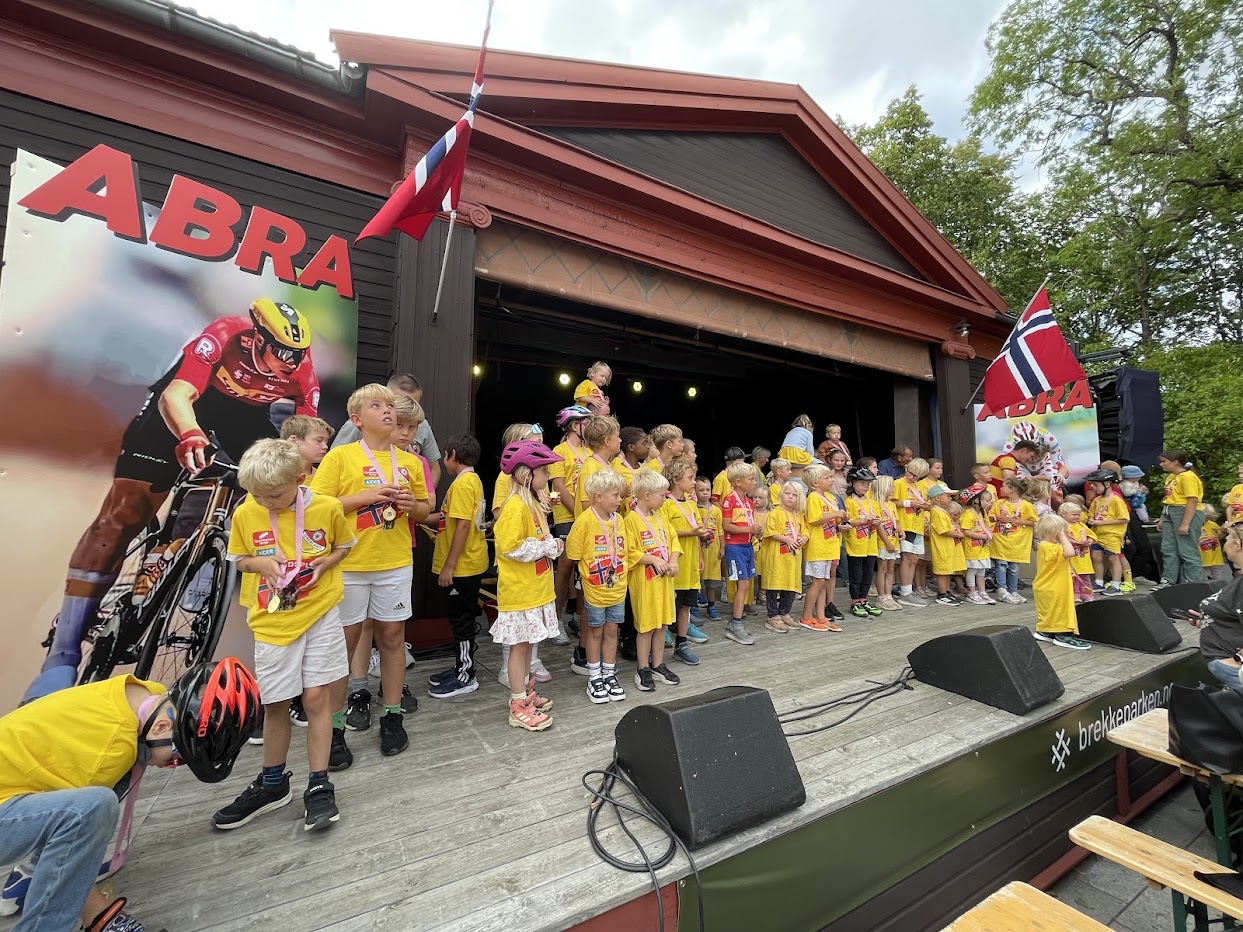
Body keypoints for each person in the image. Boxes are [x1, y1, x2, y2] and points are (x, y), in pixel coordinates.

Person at [30, 299, 320, 700]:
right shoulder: (224, 334)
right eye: (282, 351)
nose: (291, 361)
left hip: (243, 416)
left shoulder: (301, 371)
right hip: (187, 401)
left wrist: (303, 468)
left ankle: (186, 553)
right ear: (257, 337)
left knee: (271, 474)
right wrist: (189, 434)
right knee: (124, 512)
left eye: (298, 353)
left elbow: (306, 431)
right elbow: (178, 396)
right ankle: (61, 656)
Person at [1, 659, 259, 932]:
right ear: (161, 727)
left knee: (87, 803)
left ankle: (29, 877)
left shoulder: (145, 696)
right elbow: (74, 826)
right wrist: (102, 917)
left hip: (15, 792)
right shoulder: (111, 749)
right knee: (92, 808)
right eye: (179, 756)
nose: (174, 765)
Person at [215, 439, 353, 833]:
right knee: (276, 703)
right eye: (258, 496)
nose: (267, 503)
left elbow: (342, 546)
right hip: (273, 622)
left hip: (320, 614)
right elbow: (239, 559)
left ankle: (319, 783)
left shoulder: (325, 508)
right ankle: (273, 783)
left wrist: (323, 566)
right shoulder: (248, 511)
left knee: (315, 698)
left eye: (274, 495)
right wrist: (260, 562)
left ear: (300, 477)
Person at [309, 384, 430, 757]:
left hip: (394, 563)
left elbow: (426, 509)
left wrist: (413, 505)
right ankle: (334, 727)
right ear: (357, 419)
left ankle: (391, 716)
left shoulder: (409, 461)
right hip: (347, 566)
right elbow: (314, 505)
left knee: (392, 638)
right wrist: (362, 498)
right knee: (342, 644)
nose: (388, 411)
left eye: (391, 405)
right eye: (377, 406)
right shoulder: (340, 457)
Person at [492, 440, 562, 731]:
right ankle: (517, 702)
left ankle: (523, 692)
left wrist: (548, 545)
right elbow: (510, 547)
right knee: (519, 648)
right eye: (543, 472)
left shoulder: (532, 503)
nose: (547, 477)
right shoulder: (515, 506)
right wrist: (548, 546)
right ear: (525, 475)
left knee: (527, 645)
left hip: (534, 589)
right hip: (520, 591)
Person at [427, 434, 489, 699]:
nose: (443, 459)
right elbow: (448, 519)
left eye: (444, 454)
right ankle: (459, 667)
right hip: (465, 564)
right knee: (458, 619)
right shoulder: (469, 481)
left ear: (453, 454)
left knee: (462, 620)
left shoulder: (463, 485)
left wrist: (448, 567)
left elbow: (462, 525)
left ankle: (466, 675)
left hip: (462, 567)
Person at [566, 469, 629, 705]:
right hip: (595, 590)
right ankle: (594, 677)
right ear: (598, 496)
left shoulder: (619, 519)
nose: (619, 499)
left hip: (617, 588)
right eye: (615, 495)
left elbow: (623, 550)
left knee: (613, 631)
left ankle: (609, 673)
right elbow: (573, 553)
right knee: (595, 631)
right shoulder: (584, 521)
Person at [625, 470, 682, 691]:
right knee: (646, 626)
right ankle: (642, 668)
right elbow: (629, 552)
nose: (665, 498)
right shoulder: (630, 520)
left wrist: (674, 560)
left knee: (661, 624)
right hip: (645, 584)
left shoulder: (661, 517)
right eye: (661, 494)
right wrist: (652, 559)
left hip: (664, 582)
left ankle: (658, 664)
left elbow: (673, 541)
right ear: (647, 495)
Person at [333, 374, 442, 488]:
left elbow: (433, 468)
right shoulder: (361, 424)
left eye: (413, 403)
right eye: (398, 402)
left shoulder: (422, 424)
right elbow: (334, 466)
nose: (408, 407)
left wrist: (422, 497)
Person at [549, 405, 591, 664]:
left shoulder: (590, 451)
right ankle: (556, 619)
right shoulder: (559, 451)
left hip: (588, 517)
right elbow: (558, 485)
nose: (590, 426)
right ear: (574, 425)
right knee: (564, 569)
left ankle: (579, 618)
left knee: (584, 570)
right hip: (568, 517)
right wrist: (578, 510)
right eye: (586, 422)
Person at [662, 458, 709, 664]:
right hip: (675, 565)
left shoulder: (691, 503)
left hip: (690, 564)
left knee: (686, 606)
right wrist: (690, 532)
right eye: (690, 478)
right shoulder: (665, 504)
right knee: (669, 605)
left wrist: (699, 555)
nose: (693, 482)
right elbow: (665, 533)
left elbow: (696, 532)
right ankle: (660, 642)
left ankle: (681, 644)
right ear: (675, 479)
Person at [1190, 525, 1243, 690]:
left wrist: (1239, 659)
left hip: (1231, 663)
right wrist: (1212, 620)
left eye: (1226, 539)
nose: (1224, 543)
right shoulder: (1239, 579)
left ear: (1237, 545)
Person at [1028, 514, 1089, 649]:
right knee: (1060, 610)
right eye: (1063, 531)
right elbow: (1069, 552)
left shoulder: (1046, 546)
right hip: (1054, 587)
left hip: (1049, 586)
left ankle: (1047, 630)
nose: (1066, 533)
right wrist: (1062, 536)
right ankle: (1063, 634)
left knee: (1051, 610)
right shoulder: (1049, 547)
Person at [720, 460, 761, 645]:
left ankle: (735, 622)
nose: (754, 482)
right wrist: (749, 530)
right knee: (742, 585)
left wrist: (755, 531)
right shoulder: (729, 500)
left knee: (747, 585)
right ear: (737, 482)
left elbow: (748, 525)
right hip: (734, 547)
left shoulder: (748, 502)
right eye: (751, 479)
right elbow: (726, 526)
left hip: (747, 546)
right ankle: (736, 623)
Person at [800, 463, 845, 631]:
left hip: (830, 544)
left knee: (824, 581)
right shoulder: (813, 498)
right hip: (818, 547)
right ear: (814, 484)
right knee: (817, 582)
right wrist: (834, 514)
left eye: (831, 477)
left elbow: (833, 520)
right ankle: (806, 616)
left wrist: (841, 518)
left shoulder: (830, 497)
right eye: (826, 478)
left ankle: (820, 616)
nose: (831, 480)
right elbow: (814, 519)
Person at [760, 481, 808, 632]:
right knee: (774, 585)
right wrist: (786, 539)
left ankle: (785, 612)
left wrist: (805, 538)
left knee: (791, 584)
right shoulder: (775, 512)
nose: (790, 497)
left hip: (793, 558)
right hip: (777, 556)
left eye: (794, 495)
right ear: (781, 494)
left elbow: (806, 531)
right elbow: (769, 531)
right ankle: (772, 615)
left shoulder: (800, 515)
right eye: (787, 493)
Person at [1154, 450, 1205, 587]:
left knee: (1187, 549)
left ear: (1175, 462)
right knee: (1168, 548)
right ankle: (1168, 580)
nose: (1161, 464)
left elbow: (1192, 500)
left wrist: (1186, 523)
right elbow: (1168, 498)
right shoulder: (1171, 477)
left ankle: (1193, 582)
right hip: (1169, 511)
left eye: (1164, 461)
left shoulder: (1188, 477)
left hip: (1185, 512)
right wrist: (1162, 518)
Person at [989, 477, 1036, 604]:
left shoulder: (1026, 506)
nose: (1000, 488)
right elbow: (990, 517)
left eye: (1003, 486)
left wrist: (1021, 521)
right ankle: (1002, 589)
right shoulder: (999, 503)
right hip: (1000, 540)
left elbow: (1034, 521)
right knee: (1001, 565)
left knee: (1014, 567)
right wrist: (998, 517)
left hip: (1017, 542)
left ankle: (1013, 590)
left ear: (1012, 489)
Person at [843, 465, 883, 617]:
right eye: (862, 483)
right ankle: (854, 601)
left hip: (870, 544)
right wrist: (862, 520)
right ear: (852, 483)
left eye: (867, 484)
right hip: (856, 544)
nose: (865, 487)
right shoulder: (849, 502)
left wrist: (876, 521)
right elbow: (847, 523)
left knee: (868, 574)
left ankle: (863, 599)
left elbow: (879, 520)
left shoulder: (873, 502)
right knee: (856, 575)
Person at [894, 457, 931, 607]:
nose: (911, 477)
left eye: (916, 476)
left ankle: (909, 590)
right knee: (907, 558)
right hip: (905, 524)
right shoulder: (898, 483)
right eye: (909, 473)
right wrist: (909, 503)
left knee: (915, 558)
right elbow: (890, 503)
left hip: (918, 525)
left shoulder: (920, 487)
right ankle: (905, 592)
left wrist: (926, 506)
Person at [1085, 468, 1128, 596]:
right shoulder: (1097, 500)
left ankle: (1116, 585)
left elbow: (1124, 518)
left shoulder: (1116, 500)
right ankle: (1098, 582)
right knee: (1096, 557)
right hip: (1097, 534)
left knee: (1113, 558)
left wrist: (1101, 523)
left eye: (1095, 485)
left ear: (1107, 484)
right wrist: (1090, 519)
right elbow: (1090, 514)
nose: (1092, 487)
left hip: (1112, 535)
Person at [927, 482, 965, 606]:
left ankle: (947, 592)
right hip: (942, 548)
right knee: (942, 572)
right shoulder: (937, 512)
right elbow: (943, 531)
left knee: (947, 571)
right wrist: (958, 534)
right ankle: (942, 594)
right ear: (938, 497)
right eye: (947, 496)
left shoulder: (942, 511)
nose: (950, 498)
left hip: (948, 547)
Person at [957, 484, 994, 605]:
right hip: (972, 548)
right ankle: (972, 592)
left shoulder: (982, 513)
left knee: (981, 571)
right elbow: (966, 531)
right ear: (976, 501)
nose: (990, 503)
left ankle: (982, 591)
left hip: (982, 549)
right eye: (987, 501)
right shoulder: (968, 514)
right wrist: (983, 536)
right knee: (972, 571)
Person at [695, 476, 724, 622]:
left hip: (713, 551)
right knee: (696, 580)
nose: (705, 493)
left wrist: (722, 548)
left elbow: (720, 531)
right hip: (698, 551)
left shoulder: (717, 511)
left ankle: (711, 606)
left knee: (712, 581)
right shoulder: (693, 509)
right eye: (701, 490)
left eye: (708, 489)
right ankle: (694, 607)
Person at [871, 474, 903, 611]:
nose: (893, 489)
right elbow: (878, 526)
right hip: (883, 541)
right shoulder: (876, 504)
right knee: (882, 568)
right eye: (890, 486)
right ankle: (881, 596)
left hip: (893, 539)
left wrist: (901, 530)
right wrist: (887, 542)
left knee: (891, 568)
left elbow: (897, 520)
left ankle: (888, 595)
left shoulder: (891, 504)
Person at [1059, 501, 1097, 603]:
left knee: (1085, 576)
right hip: (1071, 557)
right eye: (1073, 514)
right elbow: (1063, 538)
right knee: (1073, 577)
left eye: (1078, 515)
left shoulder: (1082, 526)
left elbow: (1092, 535)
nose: (1076, 517)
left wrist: (1089, 541)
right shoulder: (1063, 526)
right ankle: (1075, 594)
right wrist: (1076, 542)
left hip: (1083, 557)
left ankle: (1088, 594)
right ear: (1063, 514)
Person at [612, 426, 650, 514]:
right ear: (631, 447)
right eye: (644, 443)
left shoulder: (646, 468)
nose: (648, 447)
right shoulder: (618, 471)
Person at [777, 415, 817, 482]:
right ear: (809, 426)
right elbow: (810, 450)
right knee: (820, 465)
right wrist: (811, 460)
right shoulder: (808, 433)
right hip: (797, 455)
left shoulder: (790, 431)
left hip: (784, 455)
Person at [1200, 505, 1227, 582]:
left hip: (1215, 556)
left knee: (1218, 579)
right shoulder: (1195, 525)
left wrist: (1223, 530)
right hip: (1203, 557)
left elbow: (1219, 536)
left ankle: (1219, 591)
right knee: (1203, 579)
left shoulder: (1213, 525)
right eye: (1206, 516)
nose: (1207, 519)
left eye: (1209, 517)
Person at [1224, 463, 1243, 528]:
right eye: (1240, 473)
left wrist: (1235, 522)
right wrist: (1230, 522)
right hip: (1234, 525)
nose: (1241, 476)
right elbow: (1230, 507)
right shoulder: (1236, 488)